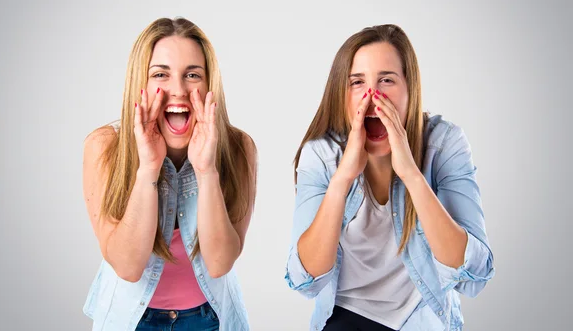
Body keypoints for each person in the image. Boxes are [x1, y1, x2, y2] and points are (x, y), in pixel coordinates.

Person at [285, 24, 494, 331]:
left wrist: (410, 172)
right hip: (345, 315)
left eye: (387, 80)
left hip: (423, 317)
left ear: (411, 89)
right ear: (340, 95)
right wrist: (342, 180)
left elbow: (473, 273)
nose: (373, 96)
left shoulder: (445, 143)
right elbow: (305, 280)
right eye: (357, 82)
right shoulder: (322, 155)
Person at [82, 17, 256, 331]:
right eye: (160, 74)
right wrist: (148, 169)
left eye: (192, 75)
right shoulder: (103, 147)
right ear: (141, 84)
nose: (178, 89)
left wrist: (206, 171)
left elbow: (219, 264)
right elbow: (127, 266)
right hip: (130, 321)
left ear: (208, 84)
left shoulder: (239, 148)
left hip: (210, 319)